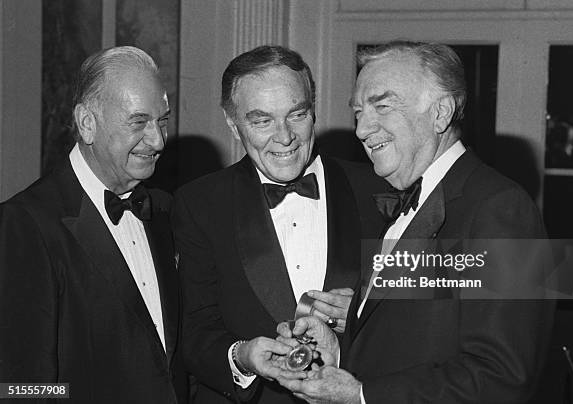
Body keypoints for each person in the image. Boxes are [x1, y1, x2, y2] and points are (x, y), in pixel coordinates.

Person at [275, 40, 554, 403]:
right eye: (358, 112)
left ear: (440, 113)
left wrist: (362, 395)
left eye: (383, 106)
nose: (361, 129)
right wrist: (340, 352)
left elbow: (501, 376)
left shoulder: (499, 209)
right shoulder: (400, 207)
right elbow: (414, 343)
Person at [172, 45, 384, 403]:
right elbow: (193, 330)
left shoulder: (379, 189)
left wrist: (364, 313)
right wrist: (242, 356)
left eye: (296, 114)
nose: (284, 137)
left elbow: (425, 318)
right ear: (232, 123)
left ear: (313, 110)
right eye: (261, 120)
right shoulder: (199, 204)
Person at [0, 46, 186, 403]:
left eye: (162, 120)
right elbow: (22, 386)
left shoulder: (163, 209)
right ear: (87, 123)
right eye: (139, 122)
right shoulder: (26, 223)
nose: (158, 140)